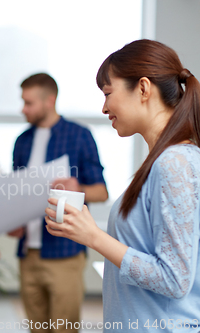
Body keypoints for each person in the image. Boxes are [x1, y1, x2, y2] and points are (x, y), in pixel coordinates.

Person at [45, 39, 200, 332]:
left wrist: (93, 237)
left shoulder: (175, 163)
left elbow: (175, 279)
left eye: (107, 93)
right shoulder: (161, 162)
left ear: (143, 88)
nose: (104, 107)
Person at [9, 73, 108, 332]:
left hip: (64, 254)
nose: (23, 109)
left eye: (28, 103)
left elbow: (101, 192)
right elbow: (17, 193)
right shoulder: (22, 141)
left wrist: (78, 188)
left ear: (49, 100)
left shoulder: (79, 135)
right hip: (27, 253)